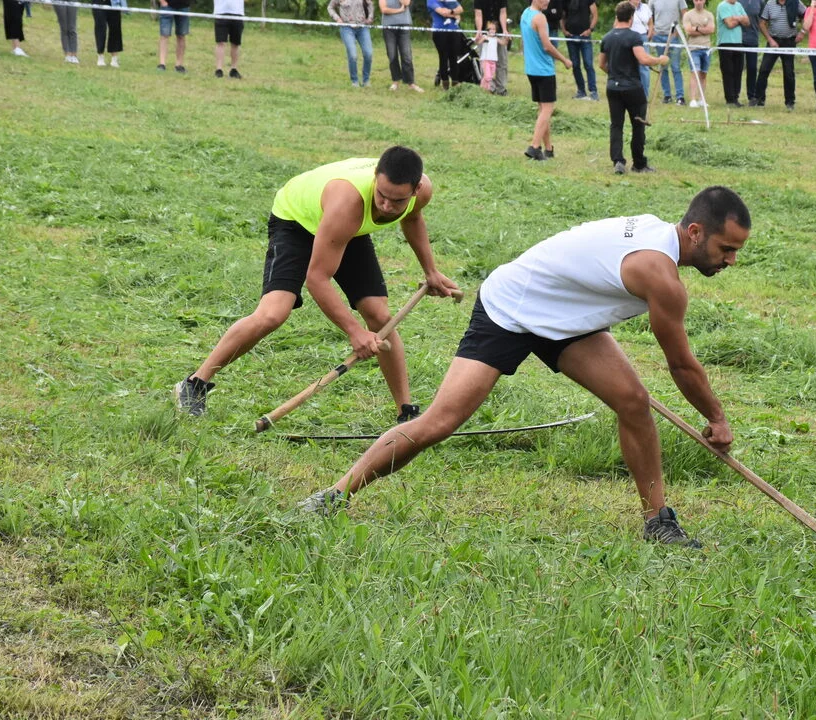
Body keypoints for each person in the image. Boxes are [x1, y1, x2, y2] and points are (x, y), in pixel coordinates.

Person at [299, 186, 753, 550]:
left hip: (564, 319)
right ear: (695, 231)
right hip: (510, 308)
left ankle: (657, 521)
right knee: (439, 422)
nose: (731, 260)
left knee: (633, 402)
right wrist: (716, 417)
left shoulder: (661, 237)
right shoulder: (659, 274)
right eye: (726, 248)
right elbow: (681, 365)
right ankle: (333, 496)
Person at [174, 146, 460, 421]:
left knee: (380, 316)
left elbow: (412, 218)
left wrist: (431, 271)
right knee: (273, 314)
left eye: (397, 201)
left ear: (415, 190)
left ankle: (406, 412)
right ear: (375, 177)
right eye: (382, 195)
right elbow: (317, 279)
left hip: (345, 229)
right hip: (297, 221)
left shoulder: (421, 193)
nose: (386, 206)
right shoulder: (348, 203)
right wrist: (354, 332)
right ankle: (195, 383)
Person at [600, 0, 670, 173]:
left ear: (617, 16)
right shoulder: (634, 37)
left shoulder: (607, 37)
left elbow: (601, 64)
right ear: (631, 18)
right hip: (632, 88)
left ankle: (618, 161)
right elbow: (643, 59)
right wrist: (660, 60)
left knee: (616, 125)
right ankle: (639, 164)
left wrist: (614, 74)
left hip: (613, 88)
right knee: (638, 125)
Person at [521, 0, 573, 161]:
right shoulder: (540, 17)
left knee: (543, 109)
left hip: (531, 68)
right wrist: (564, 60)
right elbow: (547, 46)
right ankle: (534, 147)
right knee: (547, 110)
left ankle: (548, 149)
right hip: (543, 70)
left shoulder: (525, 14)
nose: (549, 2)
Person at [752, 0, 806, 108]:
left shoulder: (796, 2)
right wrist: (770, 40)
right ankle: (759, 99)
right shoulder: (770, 3)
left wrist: (803, 32)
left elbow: (807, 16)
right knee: (763, 70)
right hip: (773, 41)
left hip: (789, 41)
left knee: (789, 72)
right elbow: (762, 23)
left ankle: (790, 102)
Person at [330, 0, 374, 87]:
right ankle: (355, 81)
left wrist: (370, 17)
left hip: (362, 27)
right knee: (353, 55)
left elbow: (370, 4)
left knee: (368, 54)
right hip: (346, 28)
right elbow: (330, 7)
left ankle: (366, 80)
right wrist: (337, 18)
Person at [651, 0, 687, 105]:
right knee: (663, 66)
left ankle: (680, 96)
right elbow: (649, 16)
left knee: (676, 67)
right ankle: (667, 95)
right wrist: (652, 31)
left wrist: (679, 30)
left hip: (674, 36)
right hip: (658, 36)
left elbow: (685, 13)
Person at [561, 0, 599, 101]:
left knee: (588, 64)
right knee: (575, 65)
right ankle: (581, 91)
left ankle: (593, 91)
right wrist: (564, 30)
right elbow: (563, 17)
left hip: (585, 37)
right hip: (570, 37)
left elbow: (595, 15)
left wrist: (590, 30)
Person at [380, 0, 419, 91]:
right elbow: (384, 10)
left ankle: (411, 83)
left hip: (404, 25)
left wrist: (395, 10)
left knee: (407, 56)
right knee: (392, 55)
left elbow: (406, 3)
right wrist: (399, 10)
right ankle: (395, 81)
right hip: (388, 26)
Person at [682, 0, 715, 108]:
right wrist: (703, 29)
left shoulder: (709, 15)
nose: (698, 2)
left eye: (700, 0)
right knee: (695, 72)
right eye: (696, 0)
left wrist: (696, 28)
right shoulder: (688, 15)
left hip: (706, 48)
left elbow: (711, 29)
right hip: (693, 48)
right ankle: (693, 99)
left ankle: (701, 99)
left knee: (703, 74)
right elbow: (688, 30)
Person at [716, 0, 748, 107]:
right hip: (725, 43)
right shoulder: (722, 6)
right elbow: (729, 24)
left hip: (738, 42)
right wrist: (741, 19)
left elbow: (747, 22)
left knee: (738, 71)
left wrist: (736, 18)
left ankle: (735, 98)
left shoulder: (739, 5)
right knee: (728, 71)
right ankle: (729, 99)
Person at [473, 0, 508, 95]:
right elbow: (478, 14)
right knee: (485, 61)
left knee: (502, 61)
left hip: (499, 32)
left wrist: (504, 30)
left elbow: (503, 12)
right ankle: (489, 88)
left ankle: (501, 89)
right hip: (484, 32)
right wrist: (479, 30)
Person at [427, 0, 461, 90]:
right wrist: (455, 14)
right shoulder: (431, 1)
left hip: (454, 31)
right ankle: (445, 83)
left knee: (454, 57)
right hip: (440, 32)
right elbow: (443, 13)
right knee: (443, 57)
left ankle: (455, 82)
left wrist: (451, 12)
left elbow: (460, 9)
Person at [737, 0, 763, 105]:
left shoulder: (760, 2)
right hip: (738, 39)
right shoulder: (737, 1)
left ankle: (751, 96)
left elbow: (762, 20)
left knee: (752, 68)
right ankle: (735, 96)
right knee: (738, 68)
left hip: (753, 39)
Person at [213, 0, 244, 79]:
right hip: (221, 12)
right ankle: (219, 69)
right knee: (220, 42)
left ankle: (234, 69)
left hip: (237, 12)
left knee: (235, 43)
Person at [157, 0, 189, 72]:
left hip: (184, 6)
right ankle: (162, 64)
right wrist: (162, 1)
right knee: (164, 35)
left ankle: (179, 65)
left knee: (181, 35)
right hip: (167, 6)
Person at [630, 0, 654, 95]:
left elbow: (650, 23)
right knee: (630, 65)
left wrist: (649, 34)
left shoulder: (645, 7)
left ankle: (644, 94)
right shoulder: (625, 7)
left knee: (644, 66)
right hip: (629, 37)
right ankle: (631, 92)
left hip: (643, 37)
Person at [92, 0, 124, 67]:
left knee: (115, 29)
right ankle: (100, 57)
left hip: (114, 3)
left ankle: (114, 59)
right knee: (101, 29)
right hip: (99, 3)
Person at [478, 20, 500, 91]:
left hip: (493, 61)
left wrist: (507, 38)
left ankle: (485, 89)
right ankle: (483, 88)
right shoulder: (485, 37)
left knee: (490, 77)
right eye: (490, 29)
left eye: (493, 29)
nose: (492, 30)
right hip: (486, 60)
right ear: (487, 30)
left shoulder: (496, 38)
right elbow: (478, 42)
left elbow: (503, 43)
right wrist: (481, 38)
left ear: (496, 30)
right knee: (487, 77)